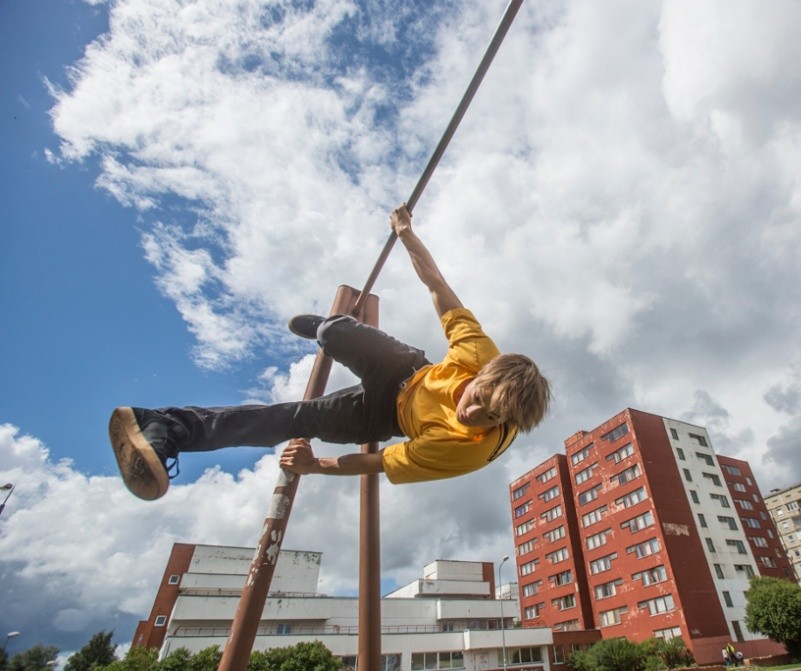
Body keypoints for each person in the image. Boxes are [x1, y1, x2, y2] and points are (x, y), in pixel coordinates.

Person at [109, 203, 551, 500]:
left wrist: (314, 465)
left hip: (385, 416)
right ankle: (326, 330)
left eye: (491, 418)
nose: (475, 415)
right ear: (481, 374)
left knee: (288, 420)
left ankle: (163, 426)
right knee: (339, 333)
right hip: (407, 369)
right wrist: (406, 234)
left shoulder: (465, 450)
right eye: (478, 401)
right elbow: (437, 286)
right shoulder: (478, 352)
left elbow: (375, 461)